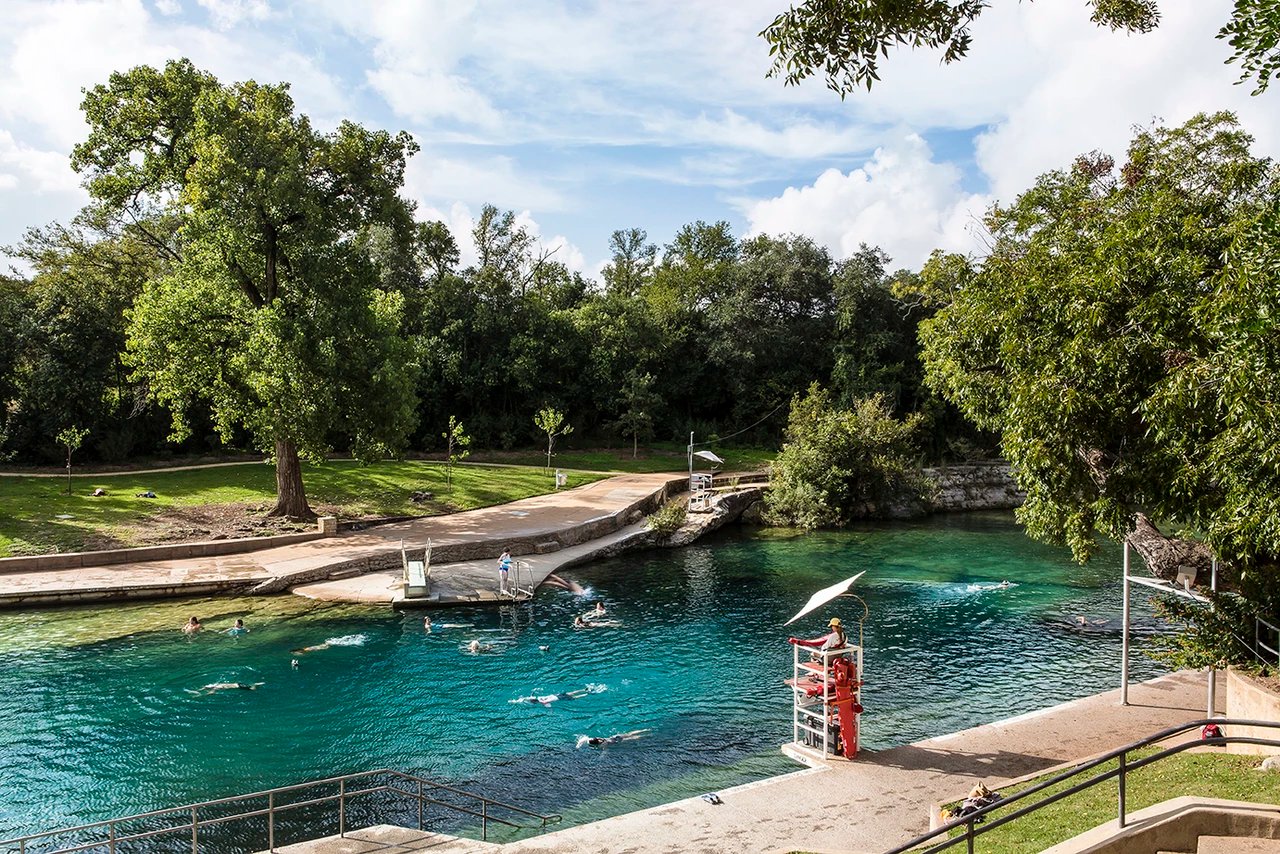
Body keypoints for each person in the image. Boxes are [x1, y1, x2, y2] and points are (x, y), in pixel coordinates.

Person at [576, 729, 649, 748]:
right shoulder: (592, 738)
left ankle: (646, 735)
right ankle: (645, 730)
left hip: (615, 742)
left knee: (633, 738)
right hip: (614, 737)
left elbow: (605, 749)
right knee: (630, 734)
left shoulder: (601, 745)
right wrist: (578, 744)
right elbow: (584, 738)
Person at [188, 682, 263, 695]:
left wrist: (201, 695)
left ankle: (256, 684)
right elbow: (205, 688)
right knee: (250, 687)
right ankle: (254, 684)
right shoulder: (216, 684)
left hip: (239, 686)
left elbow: (211, 692)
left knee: (252, 689)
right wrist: (197, 691)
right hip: (238, 684)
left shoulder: (216, 687)